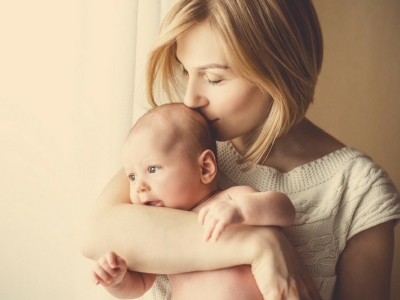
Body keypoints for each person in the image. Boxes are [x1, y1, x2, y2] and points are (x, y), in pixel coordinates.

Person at [81, 1, 400, 299]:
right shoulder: (176, 147)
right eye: (185, 71)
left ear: (279, 68)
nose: (191, 99)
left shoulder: (359, 189)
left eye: (214, 78)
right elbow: (96, 235)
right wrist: (262, 243)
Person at [91, 103, 296, 300]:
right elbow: (140, 285)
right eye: (132, 177)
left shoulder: (228, 200)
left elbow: (285, 210)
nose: (138, 187)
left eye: (152, 169)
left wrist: (241, 209)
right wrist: (117, 280)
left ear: (205, 168)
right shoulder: (157, 229)